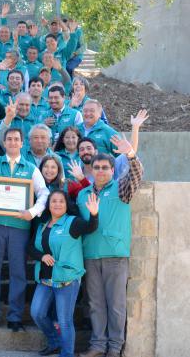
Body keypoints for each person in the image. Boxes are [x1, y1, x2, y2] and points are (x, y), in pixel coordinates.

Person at [0, 111, 49, 332]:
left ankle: (15, 317)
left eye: (17, 139)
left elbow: (44, 193)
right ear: (4, 142)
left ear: (22, 144)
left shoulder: (31, 168)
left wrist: (32, 212)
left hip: (19, 227)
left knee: (18, 273)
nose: (13, 142)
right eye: (9, 139)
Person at [77, 137, 144, 357]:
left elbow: (136, 176)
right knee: (95, 304)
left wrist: (131, 155)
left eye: (105, 167)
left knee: (116, 306)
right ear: (91, 170)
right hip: (91, 255)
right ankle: (98, 345)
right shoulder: (82, 195)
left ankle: (115, 348)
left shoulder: (121, 188)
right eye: (96, 167)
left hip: (115, 255)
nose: (100, 171)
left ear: (112, 170)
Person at [28, 190, 100, 357]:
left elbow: (91, 227)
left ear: (67, 204)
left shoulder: (73, 222)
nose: (57, 204)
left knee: (65, 321)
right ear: (49, 205)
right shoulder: (42, 224)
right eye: (54, 201)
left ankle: (67, 353)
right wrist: (42, 256)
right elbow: (30, 247)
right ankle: (54, 342)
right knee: (37, 313)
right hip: (45, 280)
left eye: (61, 201)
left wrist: (94, 214)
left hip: (67, 280)